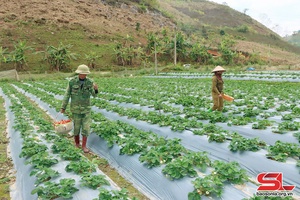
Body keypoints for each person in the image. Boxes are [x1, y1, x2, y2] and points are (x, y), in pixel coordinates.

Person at [60, 64, 98, 153]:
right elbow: (67, 95)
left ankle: (84, 146)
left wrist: (96, 89)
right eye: (82, 73)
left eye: (85, 74)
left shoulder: (90, 82)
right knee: (76, 127)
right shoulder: (72, 82)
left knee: (86, 127)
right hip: (76, 109)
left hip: (86, 109)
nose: (83, 75)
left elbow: (94, 95)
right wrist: (63, 107)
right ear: (78, 73)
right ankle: (77, 144)